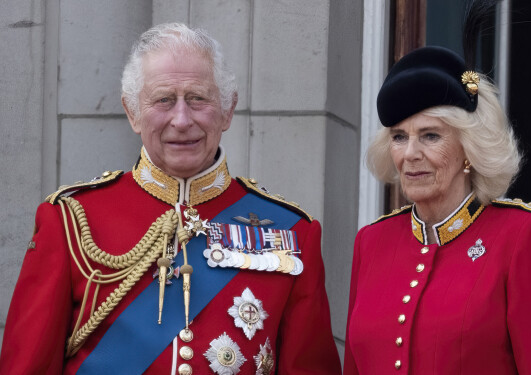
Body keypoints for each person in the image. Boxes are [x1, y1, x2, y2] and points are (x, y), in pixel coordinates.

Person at [0, 23, 341, 375]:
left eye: (198, 99)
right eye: (163, 100)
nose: (181, 119)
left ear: (227, 110)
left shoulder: (292, 233)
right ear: (132, 112)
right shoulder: (71, 220)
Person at [343, 45, 531, 373]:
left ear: (468, 148)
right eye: (399, 137)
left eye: (430, 136)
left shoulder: (522, 235)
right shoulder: (371, 242)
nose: (411, 154)